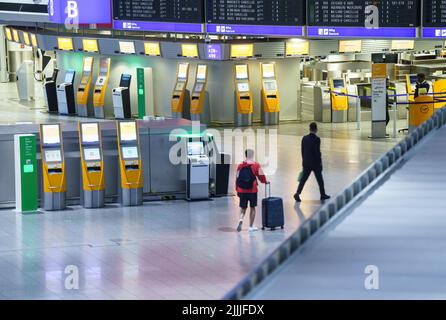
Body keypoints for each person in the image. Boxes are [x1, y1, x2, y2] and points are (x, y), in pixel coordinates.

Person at [294, 122, 331, 202]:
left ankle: (297, 193)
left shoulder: (304, 138)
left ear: (309, 129)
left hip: (306, 163)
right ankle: (323, 194)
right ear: (316, 129)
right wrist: (320, 163)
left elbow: (302, 151)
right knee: (320, 180)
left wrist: (303, 161)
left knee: (303, 179)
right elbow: (317, 153)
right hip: (315, 164)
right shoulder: (317, 139)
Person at [236, 149, 268, 233]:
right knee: (252, 208)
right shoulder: (256, 165)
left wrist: (237, 189)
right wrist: (265, 181)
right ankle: (250, 226)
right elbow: (261, 175)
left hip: (242, 190)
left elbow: (237, 178)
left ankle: (241, 219)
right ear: (252, 155)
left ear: (246, 155)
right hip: (252, 190)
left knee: (243, 207)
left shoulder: (240, 165)